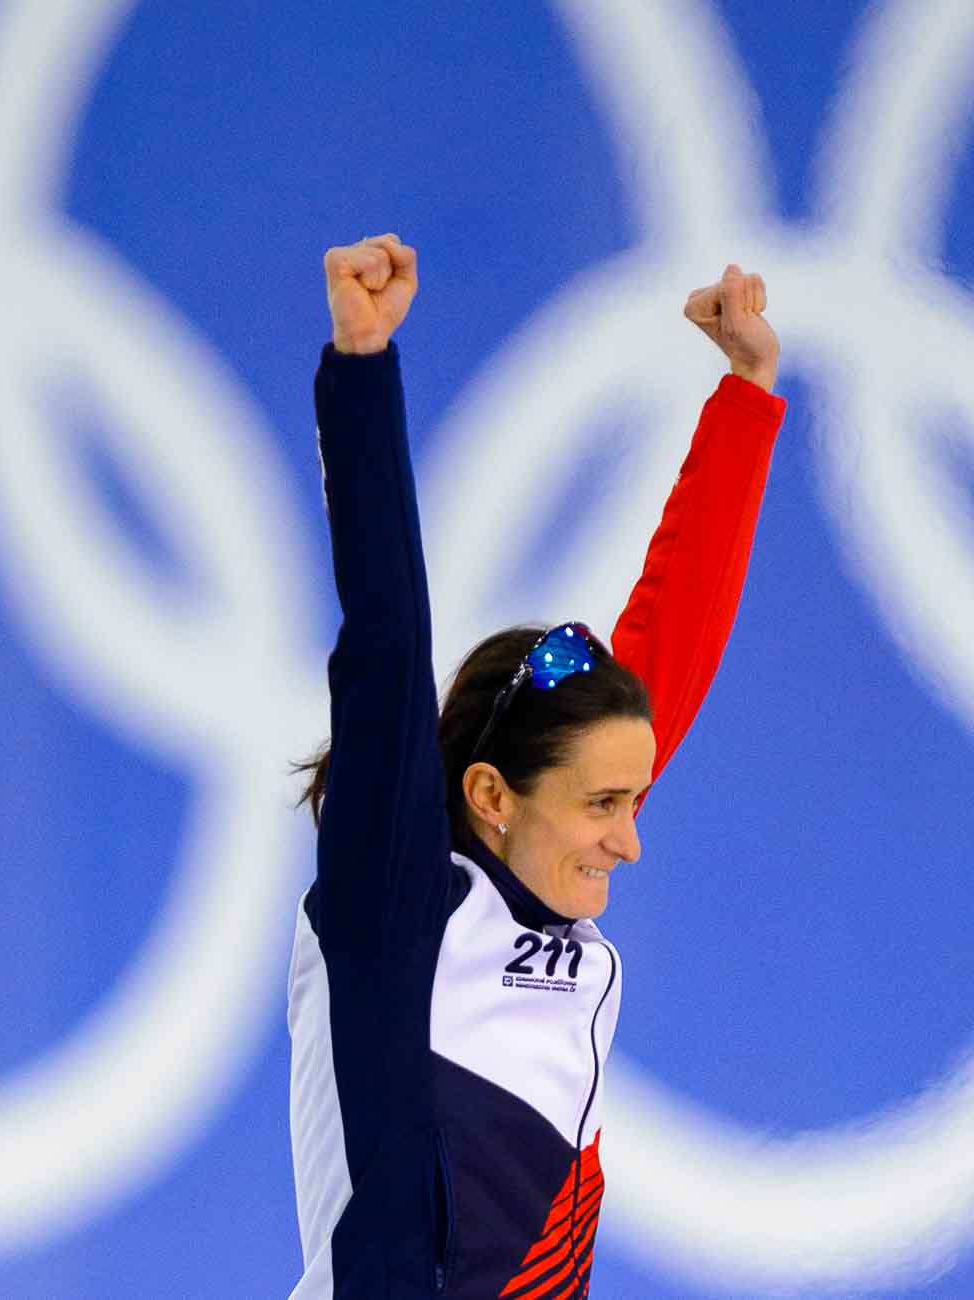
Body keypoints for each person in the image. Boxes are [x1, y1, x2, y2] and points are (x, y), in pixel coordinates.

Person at [288, 233, 784, 1299]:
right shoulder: (398, 908)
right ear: (489, 797)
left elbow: (671, 644)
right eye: (605, 804)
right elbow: (384, 633)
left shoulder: (563, 914)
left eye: (633, 796)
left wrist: (745, 394)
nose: (631, 835)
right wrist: (363, 371)